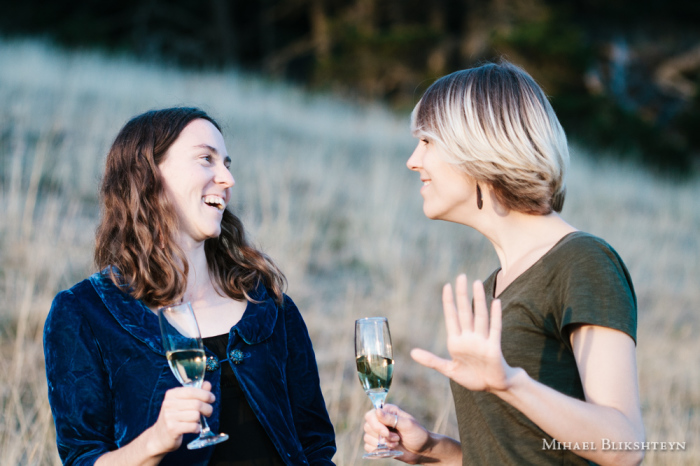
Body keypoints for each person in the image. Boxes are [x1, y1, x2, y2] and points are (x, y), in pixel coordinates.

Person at [363, 62, 645, 465]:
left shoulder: (582, 262)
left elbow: (625, 447)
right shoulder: (492, 290)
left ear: (478, 147)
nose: (412, 160)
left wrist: (510, 383)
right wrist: (430, 449)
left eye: (426, 140)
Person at [44, 107, 336, 466]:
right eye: (206, 159)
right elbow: (83, 458)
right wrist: (154, 441)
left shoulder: (269, 306)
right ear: (148, 175)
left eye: (227, 164)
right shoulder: (84, 312)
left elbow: (316, 448)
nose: (227, 178)